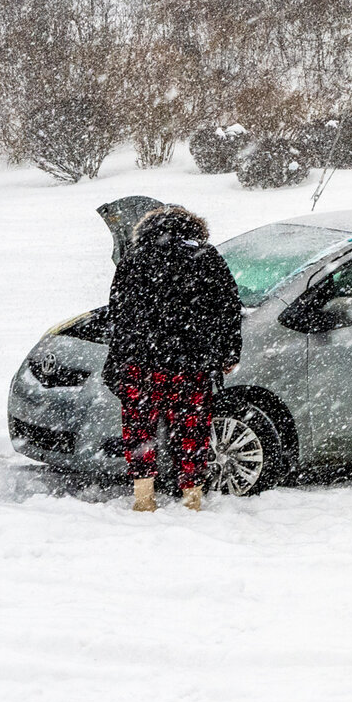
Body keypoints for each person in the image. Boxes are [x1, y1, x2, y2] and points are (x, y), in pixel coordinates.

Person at [103, 204, 242, 512]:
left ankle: (144, 498)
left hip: (141, 363)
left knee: (140, 430)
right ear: (194, 228)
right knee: (191, 429)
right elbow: (229, 308)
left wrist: (117, 356)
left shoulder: (133, 260)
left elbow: (117, 313)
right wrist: (229, 352)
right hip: (189, 364)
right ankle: (192, 497)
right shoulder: (206, 258)